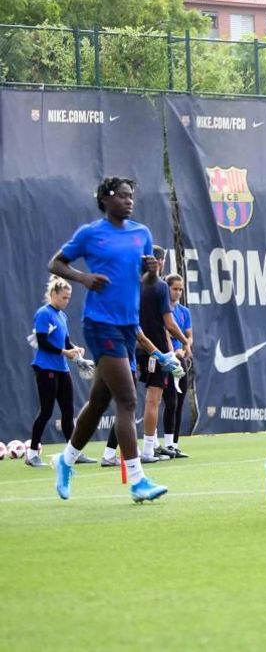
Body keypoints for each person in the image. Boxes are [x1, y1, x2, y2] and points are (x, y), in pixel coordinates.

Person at [50, 176, 179, 503]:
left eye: (131, 196)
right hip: (99, 324)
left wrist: (151, 272)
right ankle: (138, 480)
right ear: (105, 199)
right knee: (128, 399)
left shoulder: (142, 233)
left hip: (127, 326)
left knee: (98, 402)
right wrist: (83, 277)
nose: (129, 200)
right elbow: (57, 263)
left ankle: (65, 461)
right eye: (122, 196)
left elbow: (145, 283)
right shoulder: (91, 234)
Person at [98, 246, 189, 466]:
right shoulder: (157, 286)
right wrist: (182, 343)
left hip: (136, 348)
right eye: (163, 259)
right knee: (150, 400)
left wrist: (167, 349)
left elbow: (158, 326)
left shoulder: (132, 285)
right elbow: (167, 324)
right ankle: (146, 450)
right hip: (148, 349)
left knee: (129, 401)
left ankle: (116, 452)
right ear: (158, 262)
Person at [27, 277, 92, 467]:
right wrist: (65, 352)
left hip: (61, 368)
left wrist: (76, 349)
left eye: (68, 298)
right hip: (45, 367)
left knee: (68, 411)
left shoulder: (62, 316)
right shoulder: (43, 313)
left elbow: (65, 342)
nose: (66, 301)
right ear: (53, 294)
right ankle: (31, 455)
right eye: (64, 297)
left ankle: (73, 454)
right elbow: (42, 341)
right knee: (46, 411)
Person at [159, 274, 193, 458]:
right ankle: (162, 444)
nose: (178, 292)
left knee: (179, 402)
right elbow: (167, 332)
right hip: (167, 359)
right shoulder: (163, 310)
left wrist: (187, 346)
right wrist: (175, 351)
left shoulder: (184, 312)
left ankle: (173, 444)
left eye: (181, 289)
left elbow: (188, 335)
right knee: (170, 401)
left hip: (181, 360)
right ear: (167, 288)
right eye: (175, 289)